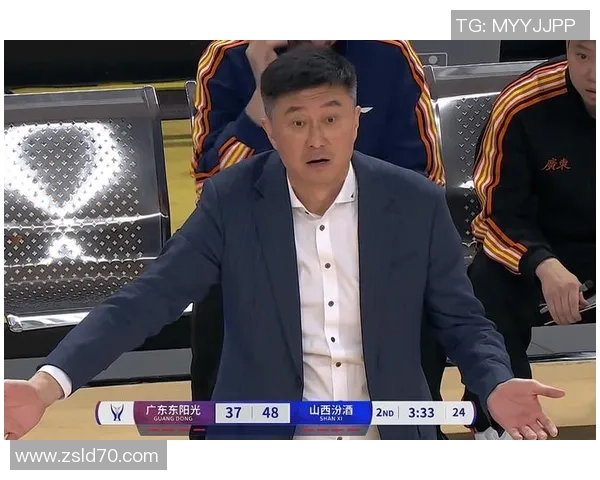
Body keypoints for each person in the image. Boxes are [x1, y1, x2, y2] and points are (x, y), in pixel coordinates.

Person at [5, 45, 565, 441]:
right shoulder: (231, 200)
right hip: (266, 441)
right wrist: (47, 385)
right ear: (269, 131)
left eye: (332, 118)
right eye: (296, 123)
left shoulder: (415, 201)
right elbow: (144, 302)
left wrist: (494, 385)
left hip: (389, 437)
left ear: (356, 121)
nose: (317, 138)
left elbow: (463, 321)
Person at [188, 39, 448, 439]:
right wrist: (264, 91)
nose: (316, 139)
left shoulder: (389, 51)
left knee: (418, 284)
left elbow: (424, 179)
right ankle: (222, 436)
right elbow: (213, 191)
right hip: (261, 244)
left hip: (373, 238)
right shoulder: (229, 56)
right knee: (217, 278)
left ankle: (409, 430)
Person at [463, 40, 595, 440]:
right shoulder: (523, 101)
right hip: (542, 253)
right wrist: (542, 264)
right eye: (582, 55)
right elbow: (494, 214)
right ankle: (500, 422)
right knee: (486, 281)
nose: (593, 74)